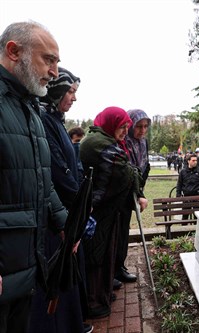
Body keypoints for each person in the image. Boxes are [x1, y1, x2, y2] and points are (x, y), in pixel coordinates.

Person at [0, 21, 68, 332]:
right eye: (48, 59)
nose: (55, 72)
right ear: (14, 52)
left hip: (25, 267)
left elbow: (41, 179)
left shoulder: (29, 108)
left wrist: (65, 222)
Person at [28, 67, 92, 333]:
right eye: (71, 91)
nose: (74, 98)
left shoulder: (55, 120)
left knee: (67, 281)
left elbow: (70, 163)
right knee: (56, 281)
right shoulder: (44, 120)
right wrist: (77, 199)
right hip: (57, 214)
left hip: (65, 210)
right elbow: (55, 168)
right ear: (55, 90)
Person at [80, 106, 142, 319]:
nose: (126, 130)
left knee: (106, 252)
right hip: (99, 210)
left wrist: (132, 172)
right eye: (122, 126)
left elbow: (130, 170)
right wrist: (133, 172)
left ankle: (102, 294)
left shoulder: (105, 140)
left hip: (106, 209)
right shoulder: (101, 144)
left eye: (127, 126)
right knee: (97, 255)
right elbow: (125, 172)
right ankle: (94, 301)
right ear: (111, 124)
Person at [114, 109, 151, 284]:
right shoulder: (123, 142)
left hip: (134, 191)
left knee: (124, 231)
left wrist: (140, 188)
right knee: (117, 232)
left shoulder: (143, 143)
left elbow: (145, 166)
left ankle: (119, 266)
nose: (142, 130)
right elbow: (128, 169)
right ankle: (113, 269)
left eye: (145, 126)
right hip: (120, 193)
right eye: (139, 126)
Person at [176, 153, 199, 220]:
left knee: (197, 216)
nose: (195, 162)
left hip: (197, 197)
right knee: (185, 216)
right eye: (193, 160)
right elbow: (179, 184)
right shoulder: (183, 172)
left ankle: (196, 229)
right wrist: (178, 194)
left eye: (196, 160)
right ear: (188, 161)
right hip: (186, 197)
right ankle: (184, 229)